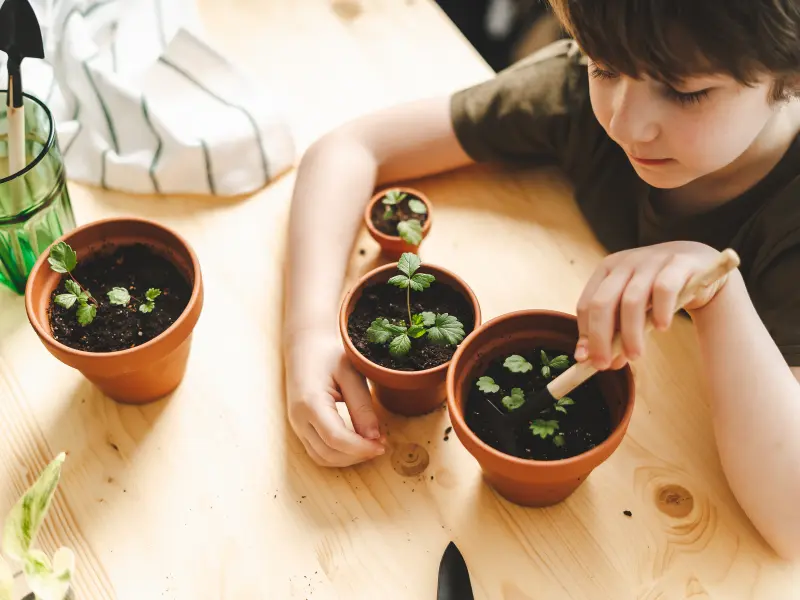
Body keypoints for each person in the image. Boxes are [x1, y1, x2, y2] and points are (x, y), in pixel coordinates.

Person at [282, 0, 800, 559]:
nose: (626, 123)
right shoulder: (580, 93)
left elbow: (791, 523)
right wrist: (308, 332)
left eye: (685, 91)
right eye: (604, 68)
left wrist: (718, 291)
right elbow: (350, 148)